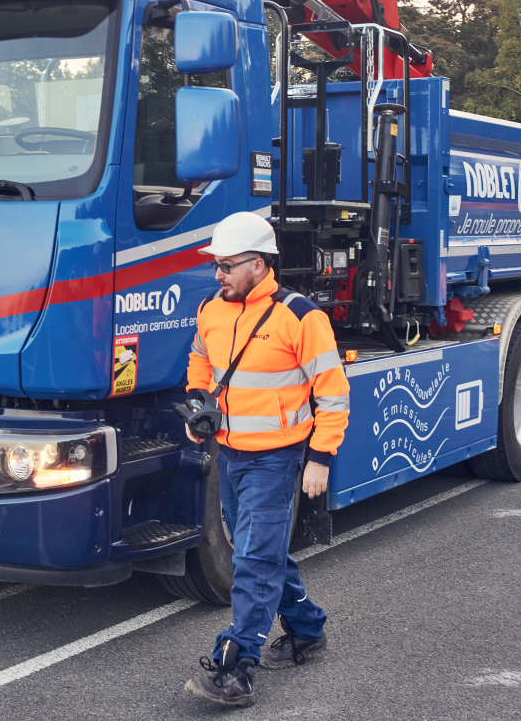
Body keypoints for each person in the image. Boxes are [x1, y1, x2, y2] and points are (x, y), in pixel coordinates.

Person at [182, 212, 350, 708]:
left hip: (277, 459)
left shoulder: (300, 317)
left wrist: (320, 458)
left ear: (258, 265)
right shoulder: (212, 309)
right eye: (215, 265)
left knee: (253, 557)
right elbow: (200, 361)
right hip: (230, 453)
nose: (218, 275)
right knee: (257, 549)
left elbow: (334, 394)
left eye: (227, 266)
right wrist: (197, 407)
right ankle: (307, 629)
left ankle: (237, 666)